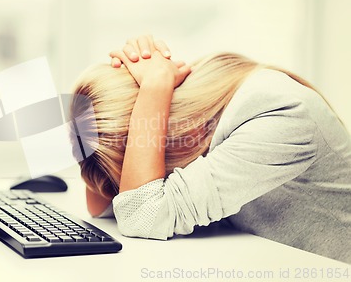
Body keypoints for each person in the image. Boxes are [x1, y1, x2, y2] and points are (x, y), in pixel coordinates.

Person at [69, 35, 351, 264]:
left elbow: (141, 215)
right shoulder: (202, 101)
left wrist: (154, 88)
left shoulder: (279, 114)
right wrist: (104, 106)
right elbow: (103, 204)